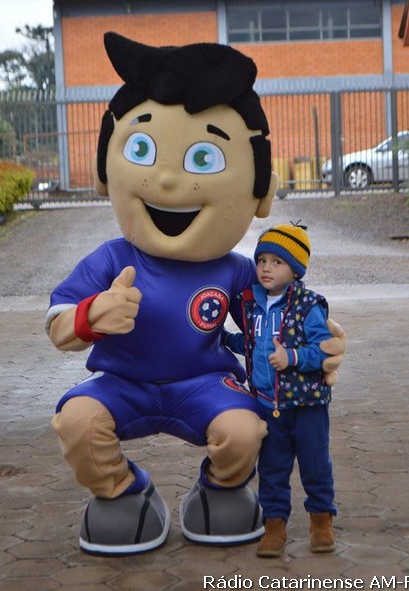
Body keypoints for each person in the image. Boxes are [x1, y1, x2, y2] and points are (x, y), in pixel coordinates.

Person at [46, 33, 346, 556]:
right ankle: (125, 493)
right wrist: (93, 314)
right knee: (77, 422)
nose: (166, 179)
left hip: (203, 383)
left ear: (261, 191)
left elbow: (278, 315)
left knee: (245, 429)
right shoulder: (113, 259)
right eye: (141, 150)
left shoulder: (235, 270)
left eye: (203, 158)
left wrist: (318, 339)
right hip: (123, 382)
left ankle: (219, 489)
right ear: (105, 171)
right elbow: (57, 322)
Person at [224, 223, 337, 558]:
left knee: (315, 464)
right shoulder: (252, 303)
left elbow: (325, 351)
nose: (266, 268)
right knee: (272, 469)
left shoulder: (308, 305)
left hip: (307, 405)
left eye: (277, 262)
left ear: (296, 270)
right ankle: (275, 526)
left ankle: (321, 521)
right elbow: (252, 343)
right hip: (267, 405)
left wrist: (293, 358)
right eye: (262, 261)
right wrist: (222, 340)